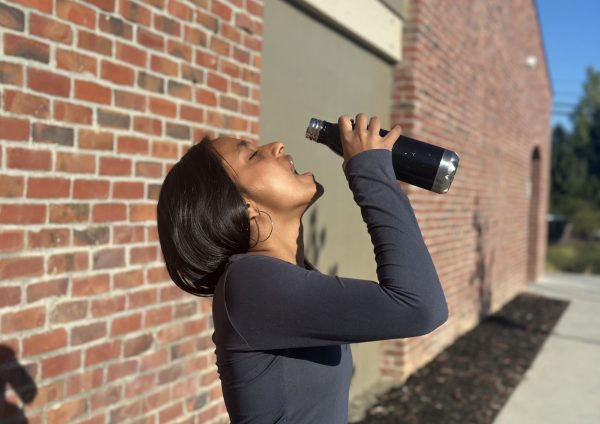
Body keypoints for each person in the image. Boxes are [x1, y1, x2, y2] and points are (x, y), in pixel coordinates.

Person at [156, 113, 449, 423]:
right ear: (244, 207)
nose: (277, 146)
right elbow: (420, 306)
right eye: (252, 155)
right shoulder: (249, 285)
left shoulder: (280, 279)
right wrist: (370, 172)